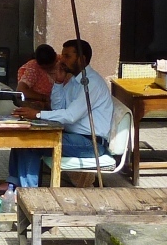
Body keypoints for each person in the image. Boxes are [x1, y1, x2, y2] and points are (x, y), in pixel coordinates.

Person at [8, 39, 113, 188]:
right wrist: (58, 82)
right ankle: (13, 184)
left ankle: (28, 192)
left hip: (90, 143)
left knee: (31, 143)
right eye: (62, 55)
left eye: (67, 56)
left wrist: (37, 114)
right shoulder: (73, 81)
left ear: (81, 59)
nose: (61, 60)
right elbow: (58, 108)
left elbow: (70, 116)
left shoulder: (90, 83)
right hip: (73, 137)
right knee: (23, 137)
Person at [16, 44, 58, 110]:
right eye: (45, 68)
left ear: (55, 56)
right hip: (40, 106)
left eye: (51, 66)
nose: (49, 70)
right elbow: (20, 91)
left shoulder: (62, 62)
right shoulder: (33, 68)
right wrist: (44, 98)